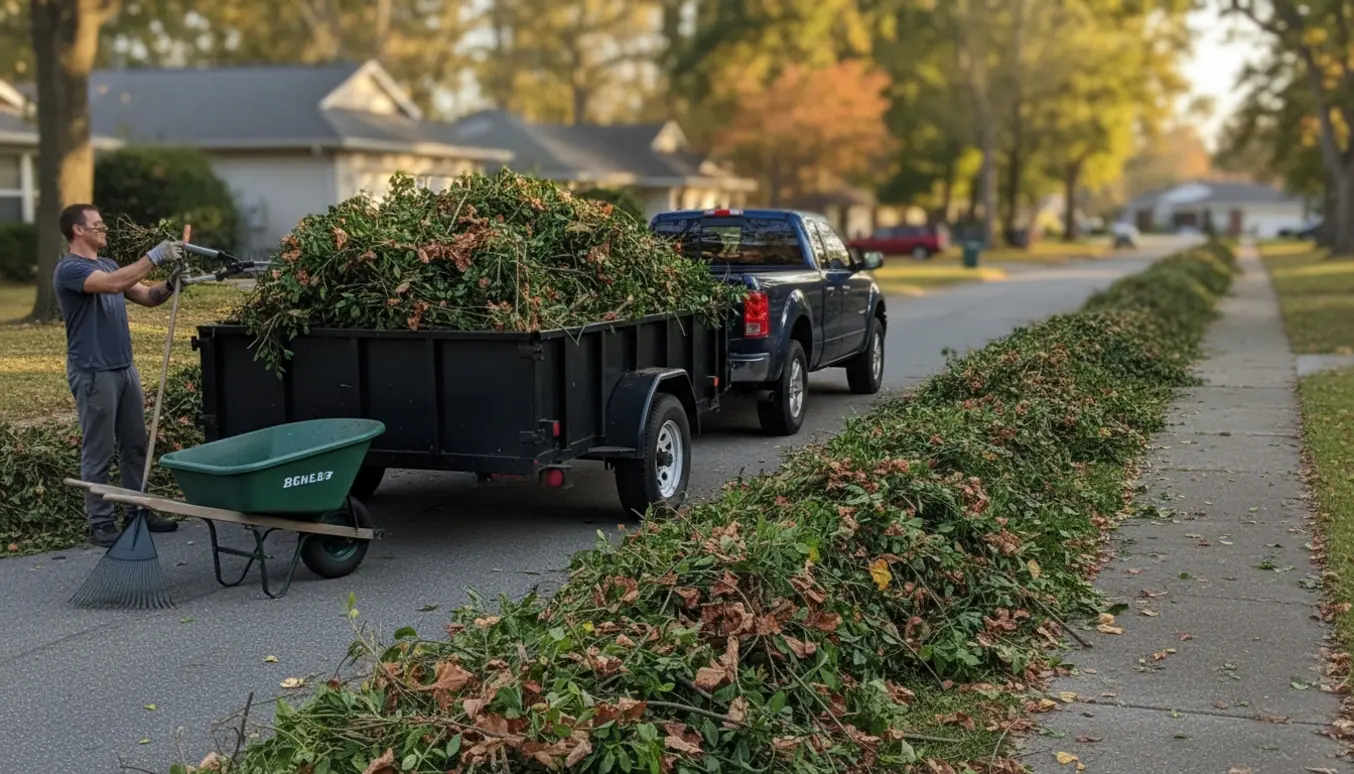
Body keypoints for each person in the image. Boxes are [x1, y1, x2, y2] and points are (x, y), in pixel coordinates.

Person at [53, 203, 186, 547]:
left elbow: (146, 295)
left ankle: (136, 510)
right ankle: (100, 523)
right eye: (97, 226)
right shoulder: (69, 269)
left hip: (125, 369)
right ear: (77, 231)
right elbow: (112, 285)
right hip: (94, 373)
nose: (104, 230)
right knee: (99, 449)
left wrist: (171, 284)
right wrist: (155, 255)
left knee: (135, 446)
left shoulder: (110, 264)